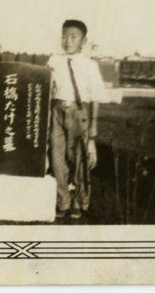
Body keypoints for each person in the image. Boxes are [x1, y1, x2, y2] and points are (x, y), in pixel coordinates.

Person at [47, 19, 109, 219]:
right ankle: (63, 200)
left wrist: (93, 124)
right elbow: (45, 85)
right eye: (64, 36)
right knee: (57, 158)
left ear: (84, 41)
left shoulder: (89, 65)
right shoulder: (53, 60)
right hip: (56, 111)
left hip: (78, 112)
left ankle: (80, 200)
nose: (67, 41)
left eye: (73, 37)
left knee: (79, 160)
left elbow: (96, 96)